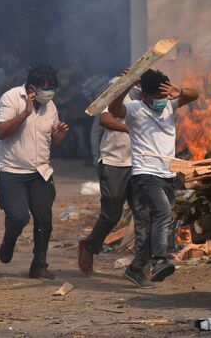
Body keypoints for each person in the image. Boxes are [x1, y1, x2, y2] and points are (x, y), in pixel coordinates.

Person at [109, 69, 199, 288]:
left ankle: (135, 269)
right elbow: (113, 108)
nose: (162, 101)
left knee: (157, 224)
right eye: (157, 97)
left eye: (164, 95)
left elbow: (194, 94)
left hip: (167, 174)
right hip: (145, 175)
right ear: (146, 96)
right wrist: (128, 84)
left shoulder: (169, 104)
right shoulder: (135, 109)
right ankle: (158, 261)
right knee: (162, 213)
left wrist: (180, 91)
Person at [0, 65, 69, 279]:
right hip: (12, 169)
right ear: (32, 88)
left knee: (44, 219)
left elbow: (53, 140)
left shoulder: (50, 106)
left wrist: (60, 135)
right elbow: (0, 132)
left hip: (41, 171)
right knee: (18, 216)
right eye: (46, 89)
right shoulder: (10, 98)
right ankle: (10, 238)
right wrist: (25, 114)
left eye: (52, 89)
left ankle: (39, 265)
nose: (50, 93)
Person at [77, 82, 151, 283]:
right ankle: (90, 245)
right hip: (114, 162)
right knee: (111, 214)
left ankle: (141, 265)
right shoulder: (118, 89)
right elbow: (105, 119)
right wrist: (129, 129)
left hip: (141, 164)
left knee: (143, 215)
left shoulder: (151, 96)